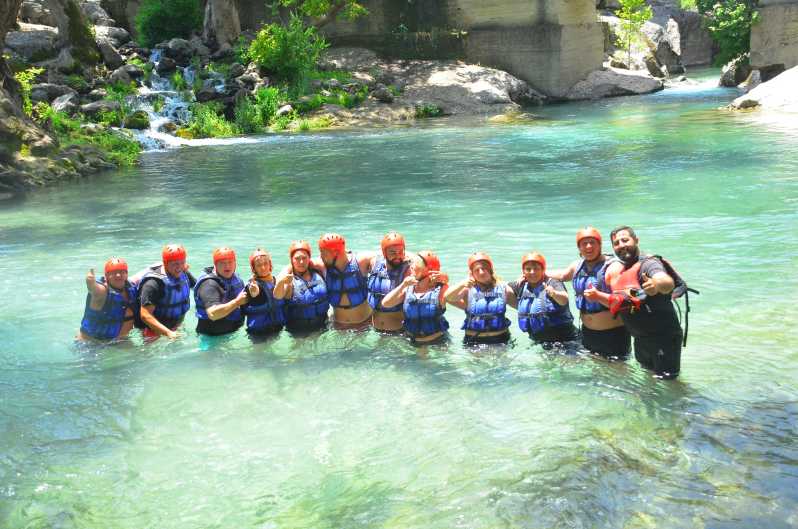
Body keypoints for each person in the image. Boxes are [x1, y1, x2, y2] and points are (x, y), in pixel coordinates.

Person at [597, 226, 685, 379]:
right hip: (640, 339)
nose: (621, 245)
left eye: (625, 240)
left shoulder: (649, 263)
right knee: (649, 377)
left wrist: (657, 284)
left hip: (663, 338)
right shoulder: (624, 269)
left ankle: (686, 403)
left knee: (669, 381)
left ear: (636, 240)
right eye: (616, 243)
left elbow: (666, 282)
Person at [547, 227, 630, 359]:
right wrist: (537, 275)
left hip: (613, 335)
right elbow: (562, 275)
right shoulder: (577, 266)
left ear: (600, 245)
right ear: (579, 247)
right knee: (596, 373)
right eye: (584, 243)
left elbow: (623, 302)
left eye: (592, 242)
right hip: (588, 333)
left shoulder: (613, 267)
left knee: (618, 375)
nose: (588, 246)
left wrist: (598, 296)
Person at [445, 252, 515, 344]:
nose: (481, 272)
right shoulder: (467, 289)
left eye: (484, 268)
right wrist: (462, 284)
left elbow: (520, 307)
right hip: (474, 341)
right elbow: (448, 297)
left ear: (490, 270)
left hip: (501, 340)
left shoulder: (504, 288)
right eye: (477, 270)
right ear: (472, 273)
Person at [509, 252, 579, 345]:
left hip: (566, 339)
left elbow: (564, 299)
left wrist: (554, 294)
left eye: (536, 269)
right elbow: (504, 290)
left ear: (543, 270)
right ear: (523, 271)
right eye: (528, 269)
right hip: (540, 341)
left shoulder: (553, 282)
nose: (532, 272)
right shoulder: (521, 285)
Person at [381, 250, 449, 344]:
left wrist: (446, 281)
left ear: (428, 270)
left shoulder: (441, 290)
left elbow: (455, 296)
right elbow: (386, 303)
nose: (411, 266)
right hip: (412, 343)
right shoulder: (408, 288)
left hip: (437, 343)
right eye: (412, 262)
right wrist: (403, 285)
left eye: (416, 264)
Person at [136, 244, 195, 340]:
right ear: (165, 263)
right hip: (153, 331)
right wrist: (168, 333)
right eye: (175, 264)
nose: (179, 267)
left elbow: (198, 288)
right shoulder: (153, 283)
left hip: (176, 327)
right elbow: (145, 315)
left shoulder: (184, 274)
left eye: (182, 262)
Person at [317, 233, 374, 327]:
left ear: (335, 252)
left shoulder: (361, 262)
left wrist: (407, 256)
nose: (321, 256)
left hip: (364, 324)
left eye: (323, 252)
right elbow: (298, 263)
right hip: (338, 325)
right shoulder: (322, 266)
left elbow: (384, 255)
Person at [273, 240, 329, 333]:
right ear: (291, 260)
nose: (301, 262)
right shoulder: (289, 280)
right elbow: (277, 296)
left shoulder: (318, 272)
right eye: (297, 258)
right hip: (299, 331)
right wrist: (281, 282)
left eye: (304, 258)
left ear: (309, 258)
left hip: (323, 326)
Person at [77, 257, 138, 342]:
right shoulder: (102, 291)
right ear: (106, 276)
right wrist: (90, 284)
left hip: (119, 342)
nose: (118, 275)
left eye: (121, 272)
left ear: (126, 274)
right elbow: (95, 291)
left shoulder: (131, 288)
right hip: (91, 344)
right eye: (113, 273)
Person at [194, 247, 247, 336]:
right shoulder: (209, 284)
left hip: (233, 332)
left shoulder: (236, 279)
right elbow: (213, 314)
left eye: (230, 262)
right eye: (222, 263)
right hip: (211, 337)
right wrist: (237, 302)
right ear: (215, 265)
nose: (227, 266)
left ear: (235, 263)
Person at [367, 232, 413, 332]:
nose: (397, 256)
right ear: (384, 253)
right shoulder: (374, 264)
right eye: (393, 253)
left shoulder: (408, 270)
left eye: (401, 252)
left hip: (398, 332)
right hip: (376, 330)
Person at [241, 248, 285, 337]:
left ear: (270, 264)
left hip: (277, 329)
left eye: (265, 263)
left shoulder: (276, 281)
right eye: (259, 265)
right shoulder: (253, 285)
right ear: (254, 268)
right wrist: (254, 291)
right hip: (258, 333)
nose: (263, 267)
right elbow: (254, 293)